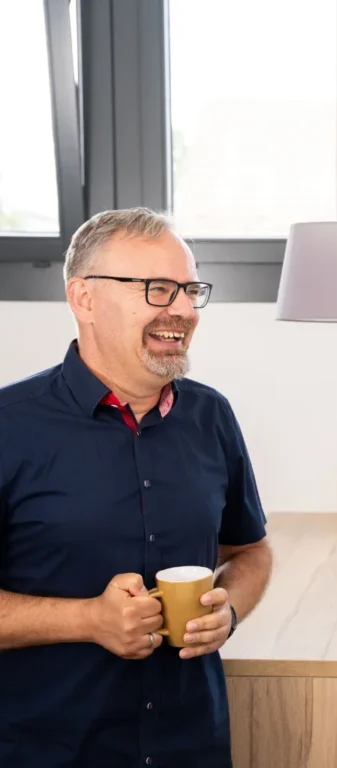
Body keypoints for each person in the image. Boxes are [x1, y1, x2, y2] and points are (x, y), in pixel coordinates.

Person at [0, 208, 273, 767]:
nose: (184, 310)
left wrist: (230, 613)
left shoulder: (211, 415)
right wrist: (87, 620)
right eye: (157, 289)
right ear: (84, 299)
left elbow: (250, 551)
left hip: (192, 745)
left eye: (190, 289)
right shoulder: (9, 426)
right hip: (48, 750)